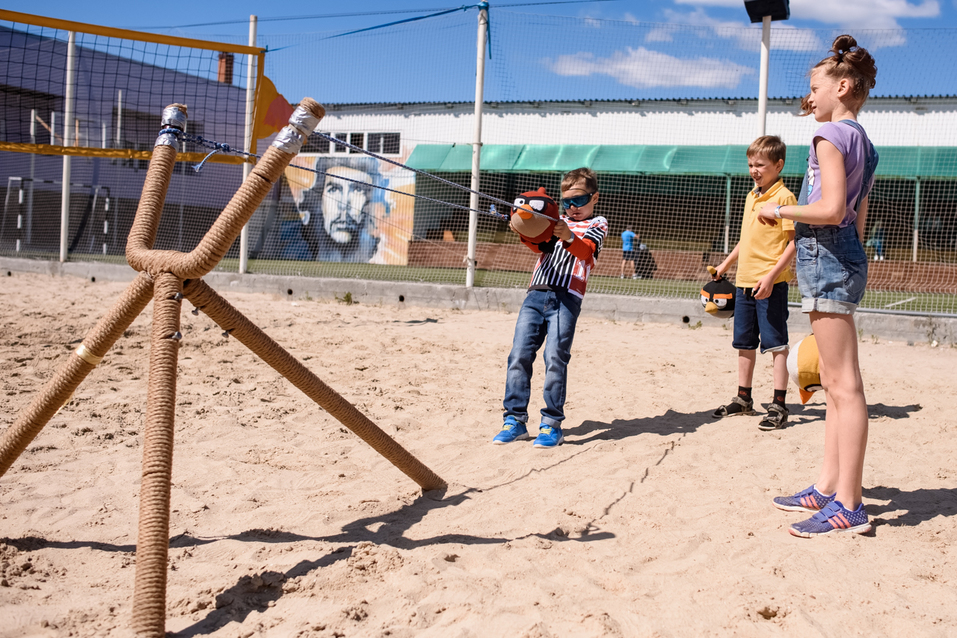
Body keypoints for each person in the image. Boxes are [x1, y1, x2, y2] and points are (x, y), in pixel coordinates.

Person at [757, 35, 879, 538]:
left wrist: (778, 209)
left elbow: (831, 209)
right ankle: (828, 488)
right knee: (831, 383)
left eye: (815, 88)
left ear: (842, 86)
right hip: (839, 255)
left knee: (844, 385)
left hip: (827, 256)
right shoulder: (861, 139)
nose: (809, 97)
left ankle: (848, 506)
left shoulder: (829, 137)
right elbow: (859, 214)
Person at [493, 167, 608, 448]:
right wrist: (523, 229)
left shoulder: (598, 224)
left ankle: (551, 424)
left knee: (556, 358)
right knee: (519, 355)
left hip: (566, 298)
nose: (572, 207)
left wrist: (568, 235)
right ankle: (514, 421)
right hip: (535, 294)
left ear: (595, 198)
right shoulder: (553, 220)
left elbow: (587, 255)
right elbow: (538, 246)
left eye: (579, 200)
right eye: (567, 201)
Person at [711, 135, 796, 431]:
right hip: (743, 282)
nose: (754, 170)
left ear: (778, 164)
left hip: (770, 284)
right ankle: (743, 399)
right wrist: (725, 265)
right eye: (750, 164)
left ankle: (779, 405)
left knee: (776, 344)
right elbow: (745, 240)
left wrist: (772, 277)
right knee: (744, 344)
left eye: (760, 164)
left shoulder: (784, 198)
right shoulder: (751, 195)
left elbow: (793, 244)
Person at [294, 156, 383, 263]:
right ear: (319, 199)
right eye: (334, 189)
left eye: (358, 190)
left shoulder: (378, 250)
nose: (344, 204)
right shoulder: (294, 251)